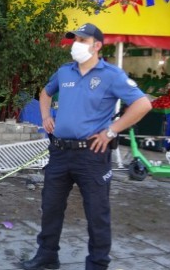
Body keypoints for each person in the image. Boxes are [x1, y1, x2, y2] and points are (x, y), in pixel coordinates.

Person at [22, 23, 152, 270]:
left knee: (97, 213)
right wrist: (46, 116)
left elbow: (143, 104)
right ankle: (47, 256)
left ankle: (97, 263)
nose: (76, 44)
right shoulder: (64, 72)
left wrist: (112, 130)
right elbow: (45, 93)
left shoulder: (111, 75)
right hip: (59, 152)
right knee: (50, 207)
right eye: (75, 40)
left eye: (82, 40)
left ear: (97, 45)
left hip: (91, 154)